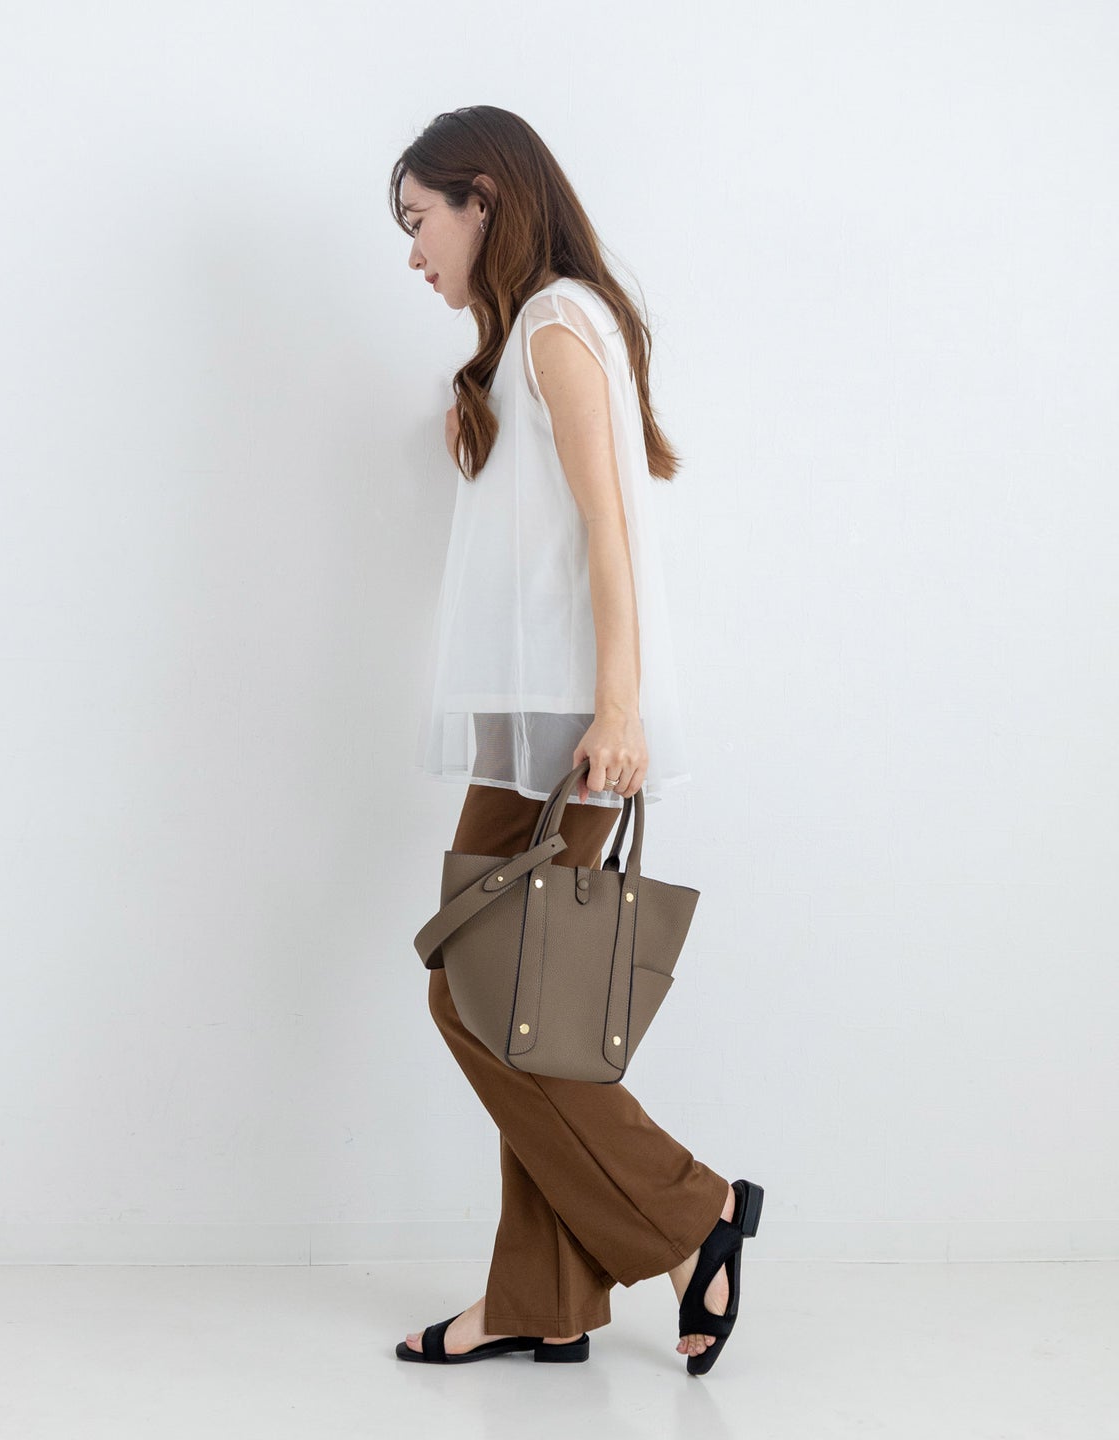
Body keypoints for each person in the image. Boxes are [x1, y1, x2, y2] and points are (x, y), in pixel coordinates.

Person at [389, 106, 763, 1376]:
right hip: (544, 723)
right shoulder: (534, 338)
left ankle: (695, 1213)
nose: (413, 253)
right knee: (520, 1005)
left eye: (421, 221)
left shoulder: (556, 324)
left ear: (484, 199)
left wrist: (618, 709)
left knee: (475, 993)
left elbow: (612, 529)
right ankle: (543, 1299)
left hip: (569, 730)